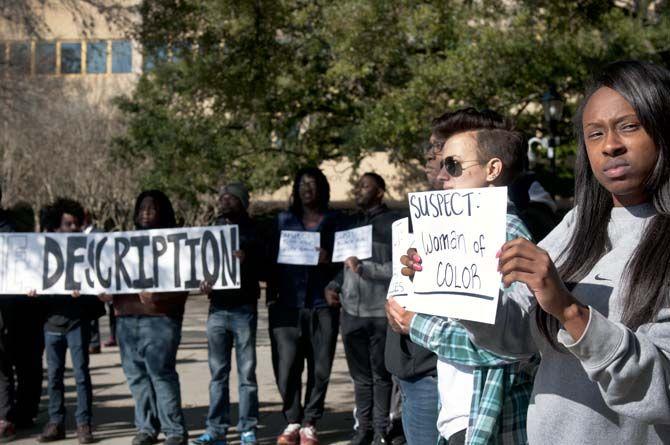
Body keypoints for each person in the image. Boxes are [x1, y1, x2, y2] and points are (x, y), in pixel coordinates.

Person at [413, 60, 670, 443]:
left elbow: (661, 389)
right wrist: (451, 286)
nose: (611, 145)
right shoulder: (576, 225)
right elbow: (515, 337)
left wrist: (571, 312)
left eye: (629, 126)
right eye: (595, 134)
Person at [386, 110, 537, 444]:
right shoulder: (460, 232)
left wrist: (417, 324)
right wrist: (409, 288)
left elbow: (511, 348)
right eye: (440, 164)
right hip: (457, 412)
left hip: (487, 416)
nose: (442, 176)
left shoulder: (509, 237)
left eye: (452, 165)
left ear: (492, 169)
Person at [101, 190, 189, 445]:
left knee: (161, 375)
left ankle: (174, 431)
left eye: (151, 208)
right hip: (126, 319)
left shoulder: (175, 244)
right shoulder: (122, 243)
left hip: (160, 319)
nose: (145, 212)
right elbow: (109, 279)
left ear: (163, 211)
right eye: (141, 207)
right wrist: (105, 293)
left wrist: (159, 298)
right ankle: (147, 429)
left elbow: (183, 286)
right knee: (137, 378)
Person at [268, 167, 342, 445]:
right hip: (286, 305)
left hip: (322, 304)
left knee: (320, 367)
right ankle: (292, 420)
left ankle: (310, 422)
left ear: (322, 188)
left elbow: (349, 257)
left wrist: (330, 258)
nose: (307, 189)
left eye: (312, 184)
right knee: (286, 367)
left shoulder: (335, 220)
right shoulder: (282, 220)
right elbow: (267, 259)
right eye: (302, 184)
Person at [324, 173, 399, 445]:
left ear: (379, 191)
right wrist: (334, 284)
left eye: (365, 185)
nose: (359, 190)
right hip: (351, 314)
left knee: (381, 377)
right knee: (360, 378)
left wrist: (367, 269)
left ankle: (382, 431)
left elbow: (399, 269)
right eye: (358, 185)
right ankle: (362, 430)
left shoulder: (393, 223)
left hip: (379, 313)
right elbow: (343, 266)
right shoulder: (352, 223)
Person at [192, 182, 262, 445]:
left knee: (247, 374)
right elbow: (199, 266)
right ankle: (216, 429)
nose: (224, 200)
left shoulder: (255, 231)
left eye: (231, 197)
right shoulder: (211, 229)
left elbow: (267, 265)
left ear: (243, 201)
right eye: (222, 197)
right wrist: (202, 282)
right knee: (217, 374)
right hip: (217, 309)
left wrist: (248, 258)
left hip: (244, 309)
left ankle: (247, 428)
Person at [31, 199, 105, 444]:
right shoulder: (41, 252)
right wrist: (31, 292)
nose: (73, 227)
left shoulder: (86, 252)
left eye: (76, 223)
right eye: (67, 223)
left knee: (81, 374)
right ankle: (56, 423)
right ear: (56, 226)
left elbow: (98, 285)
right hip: (51, 323)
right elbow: (32, 278)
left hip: (77, 322)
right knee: (54, 376)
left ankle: (84, 424)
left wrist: (84, 291)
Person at [0, 187, 44, 442]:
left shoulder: (12, 229)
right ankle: (7, 415)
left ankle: (23, 413)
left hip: (21, 307)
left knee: (25, 363)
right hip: (8, 311)